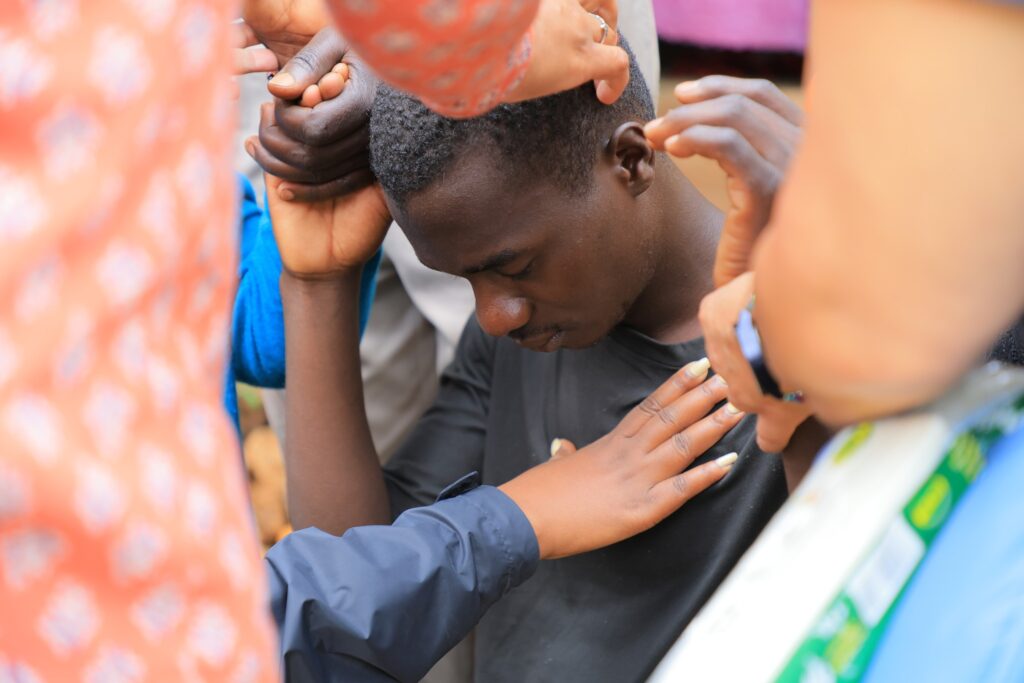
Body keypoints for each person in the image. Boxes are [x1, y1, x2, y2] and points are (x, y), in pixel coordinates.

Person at [267, 47, 808, 681]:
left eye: (516, 267)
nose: (494, 315)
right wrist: (318, 283)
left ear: (632, 161)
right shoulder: (522, 336)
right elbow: (366, 587)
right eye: (467, 280)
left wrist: (805, 325)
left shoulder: (785, 338)